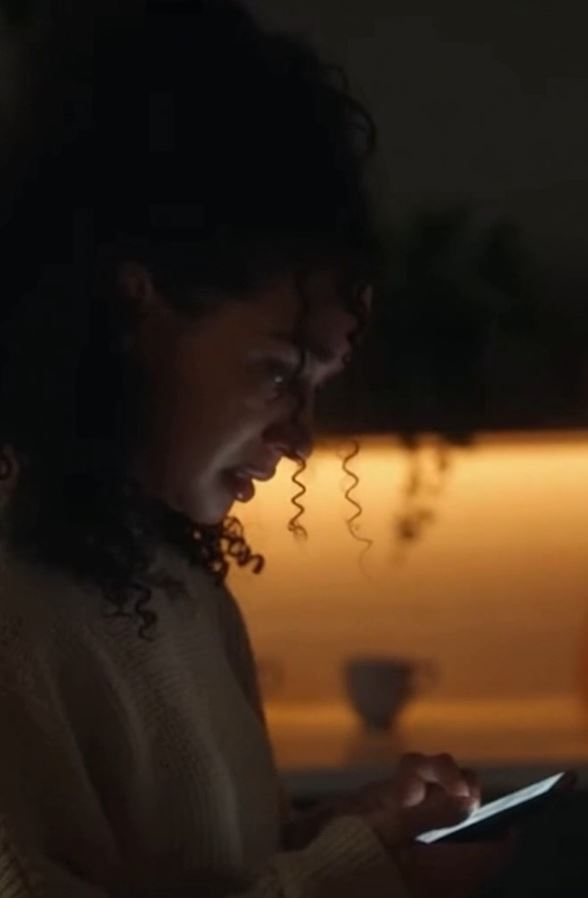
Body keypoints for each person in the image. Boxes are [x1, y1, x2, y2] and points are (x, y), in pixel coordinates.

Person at [0, 1, 507, 895]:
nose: (299, 440)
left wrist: (352, 833)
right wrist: (354, 873)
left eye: (317, 384)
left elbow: (209, 868)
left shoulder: (174, 582)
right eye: (277, 371)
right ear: (126, 311)